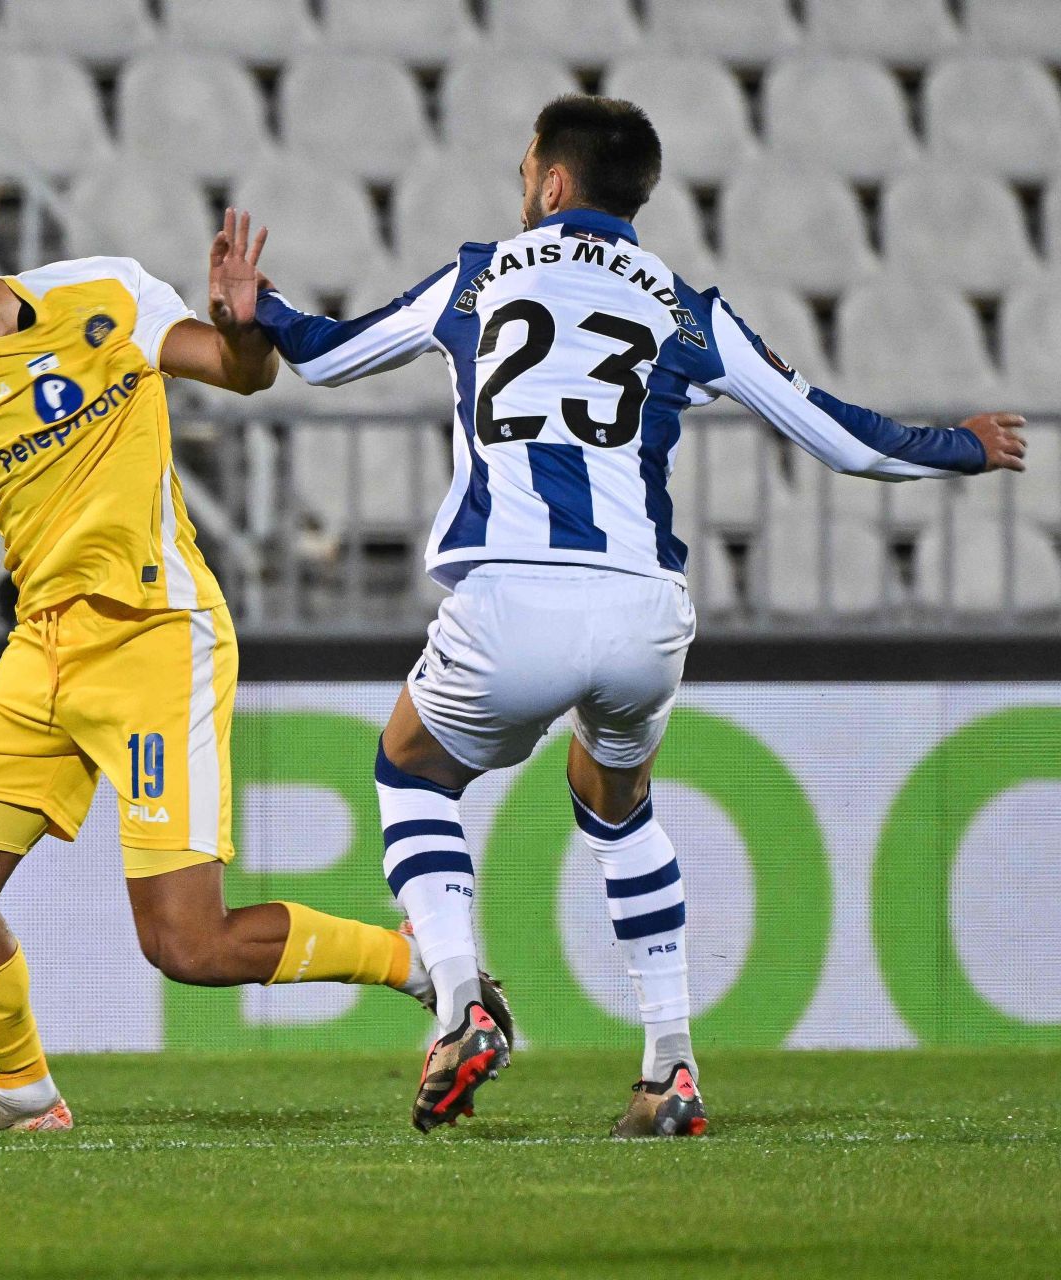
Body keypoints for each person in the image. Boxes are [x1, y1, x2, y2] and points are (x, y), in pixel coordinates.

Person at [249, 95, 1028, 1137]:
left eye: (527, 166)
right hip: (641, 611)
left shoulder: (479, 276)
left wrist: (261, 307)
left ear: (553, 181)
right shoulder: (682, 307)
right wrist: (960, 445)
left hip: (511, 599)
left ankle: (459, 999)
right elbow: (837, 436)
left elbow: (328, 354)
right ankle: (670, 1069)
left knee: (412, 773)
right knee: (615, 804)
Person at [0, 170, 507, 1132]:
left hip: (158, 638)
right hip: (42, 651)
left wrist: (245, 325)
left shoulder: (104, 294)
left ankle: (424, 966)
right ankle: (26, 1093)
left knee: (188, 947)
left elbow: (240, 372)